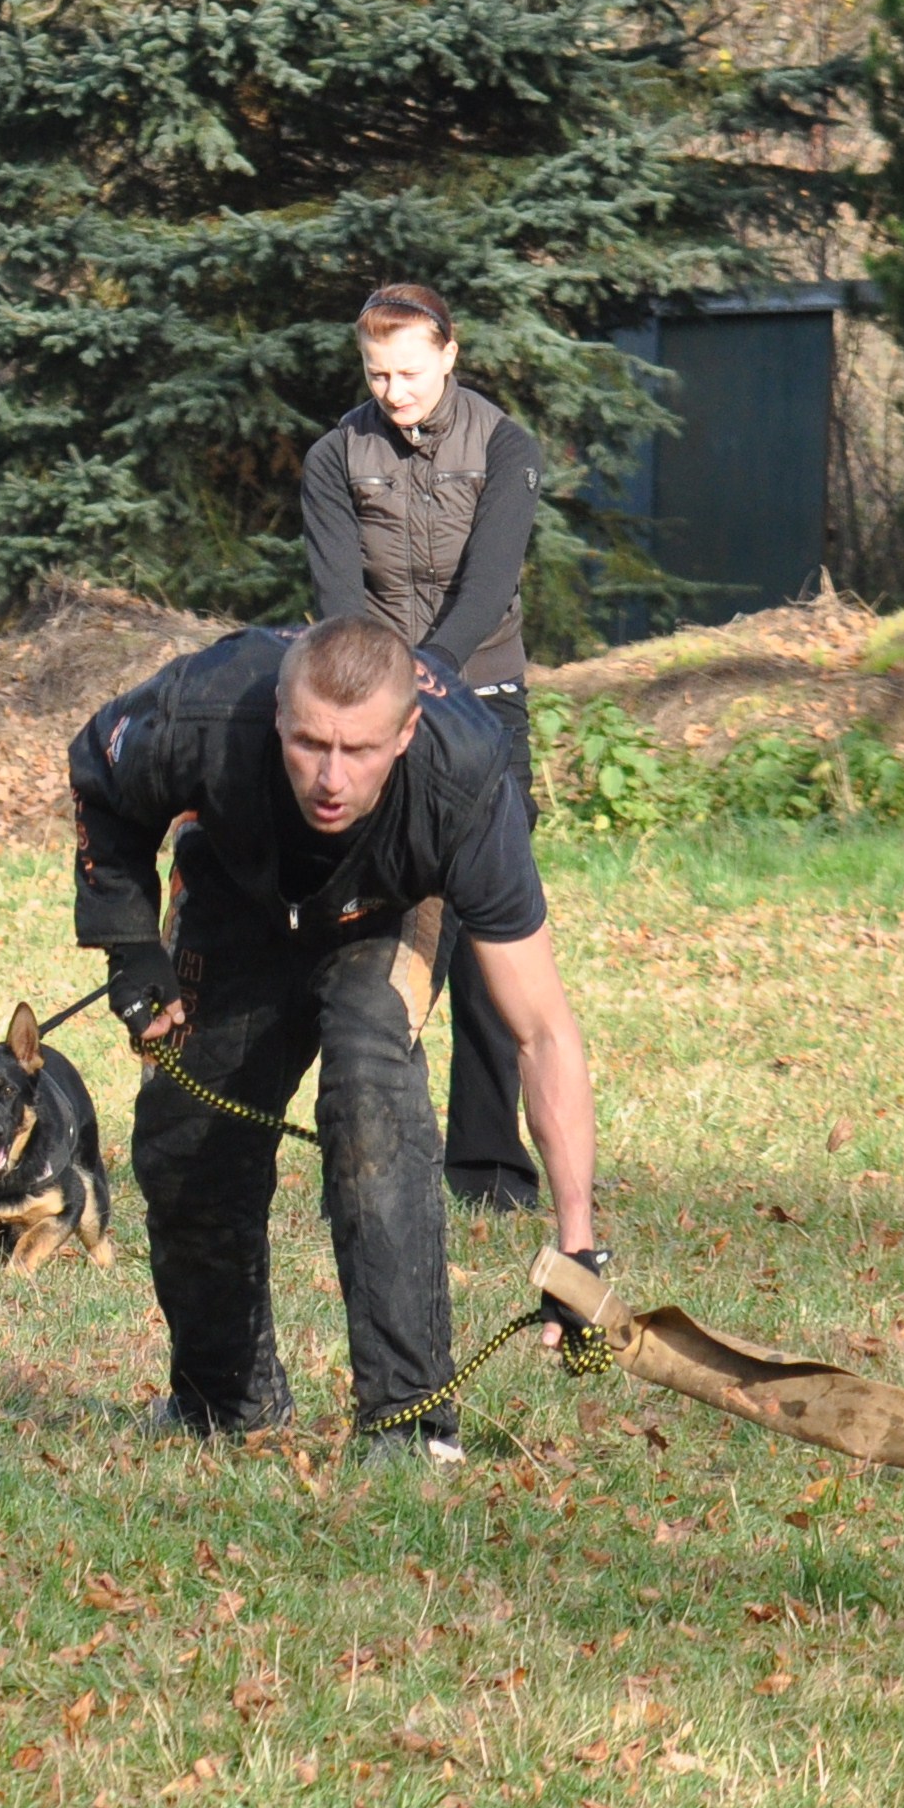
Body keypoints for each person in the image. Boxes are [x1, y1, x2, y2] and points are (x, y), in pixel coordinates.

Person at [68, 615, 606, 1462]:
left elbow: (542, 1030)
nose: (329, 777)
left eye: (358, 751)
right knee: (183, 1141)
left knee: (369, 1099)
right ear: (278, 717)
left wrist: (577, 1243)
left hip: (392, 911)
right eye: (310, 743)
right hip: (239, 896)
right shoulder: (205, 711)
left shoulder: (464, 780)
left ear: (406, 731)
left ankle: (408, 1422)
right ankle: (224, 1401)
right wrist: (129, 943)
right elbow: (102, 780)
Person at [299, 283, 547, 1212]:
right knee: (375, 922)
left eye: (409, 371)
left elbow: (490, 584)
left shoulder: (505, 447)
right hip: (372, 710)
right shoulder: (335, 456)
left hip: (481, 698)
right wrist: (383, 699)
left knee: (491, 931)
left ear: (450, 354)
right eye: (377, 374)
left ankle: (488, 1169)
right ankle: (367, 1157)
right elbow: (338, 597)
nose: (394, 390)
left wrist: (433, 680)